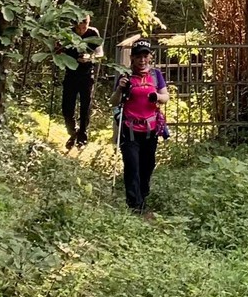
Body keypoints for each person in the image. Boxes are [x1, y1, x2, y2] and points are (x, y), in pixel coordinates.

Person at [113, 37, 168, 213]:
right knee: (132, 166)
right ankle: (134, 204)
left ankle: (142, 195)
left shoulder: (156, 75)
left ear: (150, 57)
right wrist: (120, 89)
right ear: (132, 59)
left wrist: (157, 97)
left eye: (145, 56)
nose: (142, 60)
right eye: (138, 56)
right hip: (130, 130)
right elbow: (113, 101)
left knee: (147, 166)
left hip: (150, 131)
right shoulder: (126, 77)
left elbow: (165, 97)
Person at [60, 11, 104, 150]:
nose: (83, 26)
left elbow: (100, 53)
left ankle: (82, 137)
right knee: (67, 107)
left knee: (85, 106)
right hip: (71, 73)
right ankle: (73, 132)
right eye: (81, 23)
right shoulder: (68, 33)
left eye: (86, 23)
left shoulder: (93, 33)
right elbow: (59, 50)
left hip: (86, 74)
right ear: (75, 23)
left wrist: (89, 58)